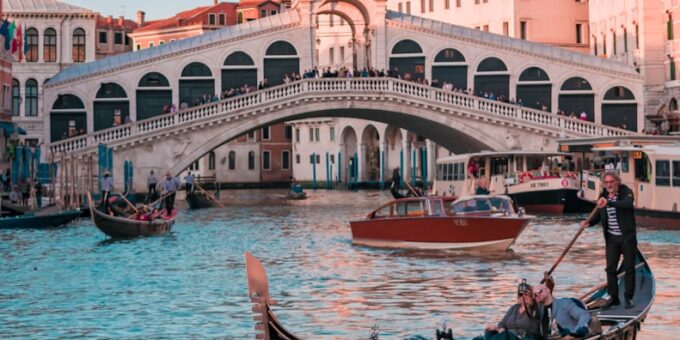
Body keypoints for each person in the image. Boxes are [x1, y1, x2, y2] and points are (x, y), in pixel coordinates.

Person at [579, 170, 637, 309]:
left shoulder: (626, 192)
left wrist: (609, 203)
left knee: (629, 268)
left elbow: (627, 204)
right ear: (604, 184)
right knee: (610, 269)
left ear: (617, 181)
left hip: (627, 238)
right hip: (611, 239)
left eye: (612, 182)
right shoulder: (603, 196)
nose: (609, 185)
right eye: (607, 182)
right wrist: (589, 222)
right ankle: (613, 297)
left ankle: (628, 297)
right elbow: (598, 213)